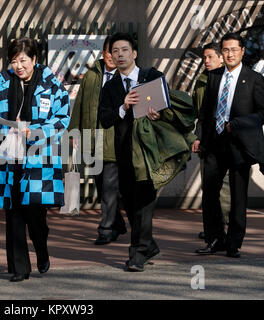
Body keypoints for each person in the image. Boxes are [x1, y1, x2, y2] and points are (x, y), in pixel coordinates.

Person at [0, 37, 70, 282]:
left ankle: (41, 249)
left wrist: (39, 131)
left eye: (24, 61)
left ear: (34, 60)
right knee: (14, 210)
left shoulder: (52, 84)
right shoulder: (2, 83)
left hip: (40, 155)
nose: (19, 66)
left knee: (35, 213)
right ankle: (20, 268)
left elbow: (62, 117)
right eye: (15, 61)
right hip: (11, 155)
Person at [192, 33, 264, 258]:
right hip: (214, 143)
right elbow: (205, 111)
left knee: (238, 197)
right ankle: (214, 238)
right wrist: (198, 136)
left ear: (242, 51)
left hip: (239, 144)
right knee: (209, 193)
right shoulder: (214, 76)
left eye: (233, 50)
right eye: (225, 50)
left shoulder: (254, 78)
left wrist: (237, 124)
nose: (229, 54)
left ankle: (234, 243)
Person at [98, 32, 164, 272]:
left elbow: (167, 108)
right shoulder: (111, 86)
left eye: (124, 50)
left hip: (149, 151)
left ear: (134, 53)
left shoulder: (152, 77)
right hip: (124, 153)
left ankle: (137, 253)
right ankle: (150, 245)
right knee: (130, 202)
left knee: (145, 202)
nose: (119, 54)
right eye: (115, 51)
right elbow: (104, 119)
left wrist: (159, 113)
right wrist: (123, 107)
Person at [68, 36, 127, 245]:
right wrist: (74, 132)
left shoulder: (125, 76)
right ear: (104, 53)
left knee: (109, 186)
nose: (114, 56)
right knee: (101, 185)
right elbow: (80, 105)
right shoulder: (92, 76)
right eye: (111, 52)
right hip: (92, 139)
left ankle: (106, 229)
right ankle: (118, 224)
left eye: (119, 51)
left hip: (113, 139)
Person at [192, 43, 229, 241]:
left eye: (210, 57)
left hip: (226, 141)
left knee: (225, 189)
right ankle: (213, 229)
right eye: (204, 57)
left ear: (221, 58)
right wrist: (196, 137)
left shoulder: (229, 79)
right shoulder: (201, 81)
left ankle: (227, 229)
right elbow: (198, 113)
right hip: (206, 141)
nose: (206, 61)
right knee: (208, 186)